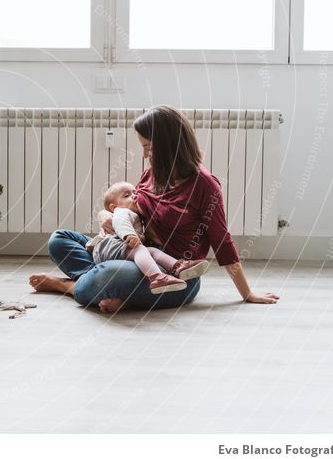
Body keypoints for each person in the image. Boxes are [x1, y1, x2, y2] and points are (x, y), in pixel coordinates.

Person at [29, 105, 279, 312]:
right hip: (134, 250)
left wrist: (247, 293)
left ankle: (71, 286)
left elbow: (222, 242)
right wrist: (106, 215)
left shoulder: (205, 186)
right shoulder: (151, 174)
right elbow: (131, 214)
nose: (144, 154)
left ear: (170, 145)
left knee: (110, 274)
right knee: (59, 239)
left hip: (172, 272)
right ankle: (107, 288)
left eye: (149, 146)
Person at [86, 181, 209, 293]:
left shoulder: (135, 214)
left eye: (135, 192)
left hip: (115, 247)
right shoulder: (121, 211)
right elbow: (120, 222)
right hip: (109, 246)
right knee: (140, 249)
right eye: (126, 195)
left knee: (151, 251)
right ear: (113, 207)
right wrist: (130, 235)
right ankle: (157, 277)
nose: (134, 196)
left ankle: (178, 266)